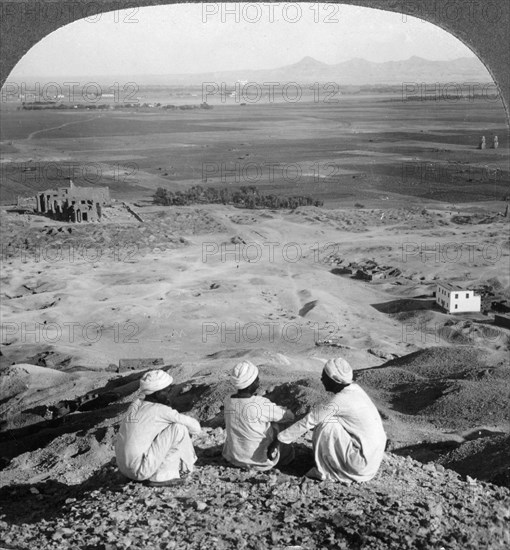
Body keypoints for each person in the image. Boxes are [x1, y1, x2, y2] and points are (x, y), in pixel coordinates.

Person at [272, 358, 386, 483]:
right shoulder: (355, 390)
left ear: (334, 379)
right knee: (330, 419)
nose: (321, 379)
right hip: (370, 464)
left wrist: (279, 440)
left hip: (360, 464)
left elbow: (311, 420)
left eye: (324, 376)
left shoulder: (341, 399)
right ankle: (333, 461)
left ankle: (326, 470)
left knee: (326, 422)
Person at [115, 369, 201, 487]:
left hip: (124, 469)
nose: (170, 394)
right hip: (140, 470)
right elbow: (196, 427)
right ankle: (162, 477)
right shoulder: (160, 410)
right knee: (179, 428)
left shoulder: (135, 405)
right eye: (167, 390)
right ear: (157, 394)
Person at [223, 360, 295, 471]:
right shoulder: (259, 403)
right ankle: (287, 460)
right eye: (256, 379)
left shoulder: (228, 400)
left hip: (234, 458)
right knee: (280, 424)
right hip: (260, 462)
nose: (258, 381)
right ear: (251, 383)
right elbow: (289, 416)